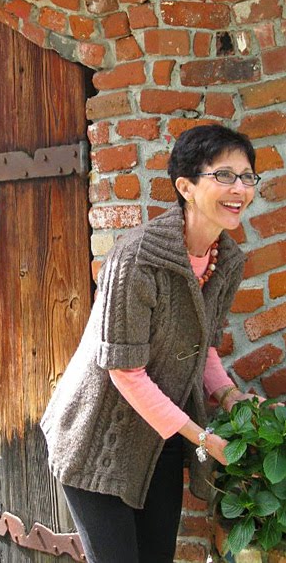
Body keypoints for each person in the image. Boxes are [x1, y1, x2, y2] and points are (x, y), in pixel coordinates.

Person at [40, 124, 262, 563]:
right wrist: (203, 438)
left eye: (247, 176)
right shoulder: (136, 258)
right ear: (185, 187)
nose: (239, 188)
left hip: (160, 440)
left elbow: (204, 345)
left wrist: (230, 395)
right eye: (224, 175)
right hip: (96, 440)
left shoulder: (226, 260)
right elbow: (125, 372)